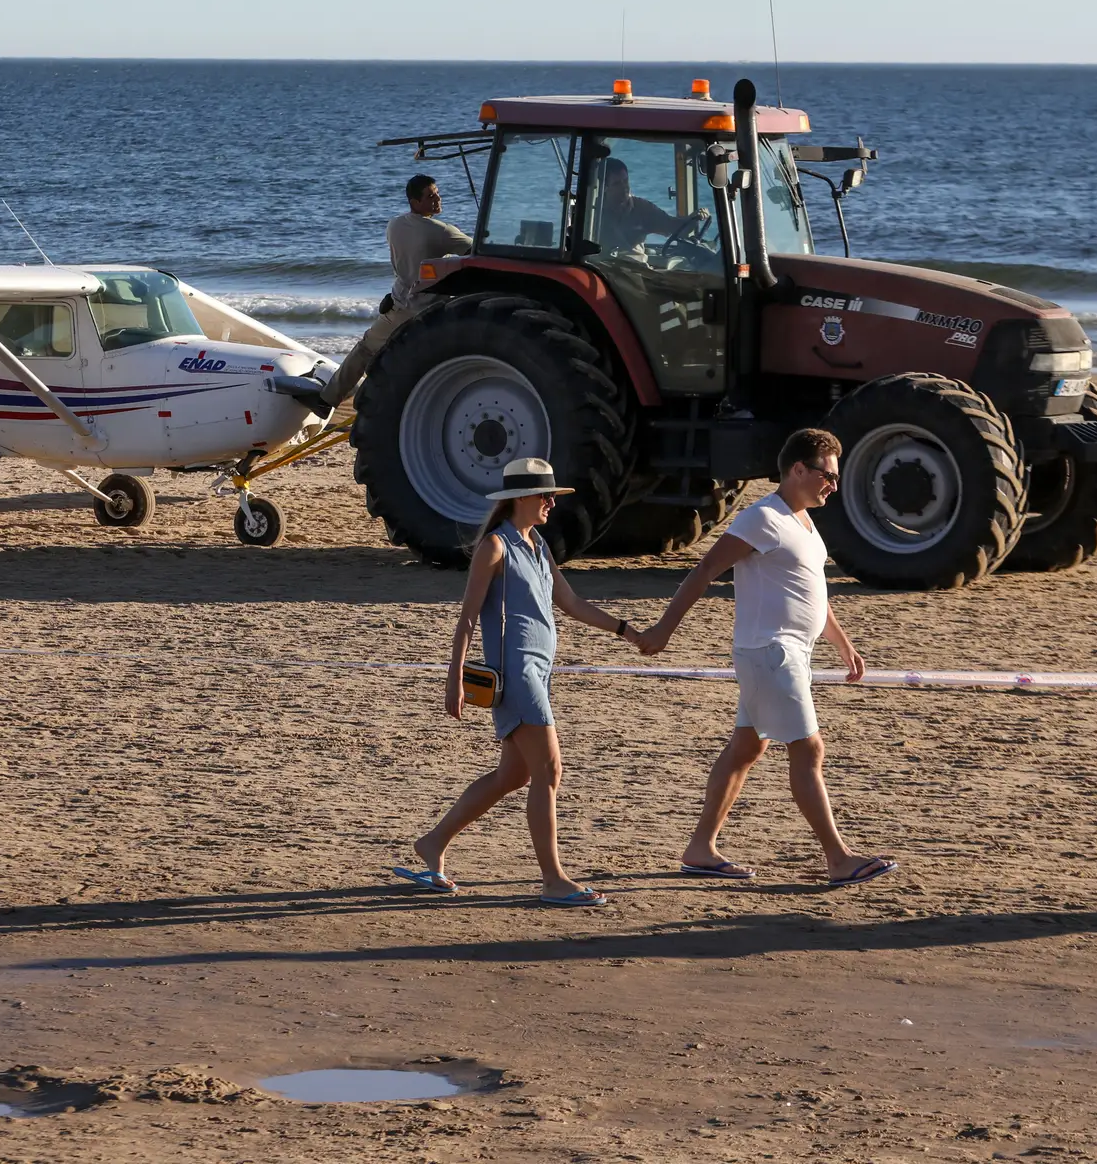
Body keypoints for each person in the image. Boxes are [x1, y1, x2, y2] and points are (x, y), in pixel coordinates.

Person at [634, 429, 896, 887]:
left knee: (746, 748)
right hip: (770, 653)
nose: (833, 484)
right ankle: (839, 858)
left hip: (789, 652)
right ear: (798, 469)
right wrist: (663, 629)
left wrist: (842, 642)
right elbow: (705, 570)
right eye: (827, 475)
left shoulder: (805, 524)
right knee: (809, 748)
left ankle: (700, 849)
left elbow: (811, 592)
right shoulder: (763, 518)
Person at [395, 457, 646, 906]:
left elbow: (569, 601)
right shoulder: (495, 547)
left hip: (540, 674)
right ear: (520, 499)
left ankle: (432, 845)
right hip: (517, 676)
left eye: (553, 495)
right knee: (549, 771)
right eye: (545, 495)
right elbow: (467, 619)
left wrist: (626, 631)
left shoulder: (536, 545)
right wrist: (453, 679)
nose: (552, 502)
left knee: (512, 775)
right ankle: (553, 879)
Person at [316, 174, 472, 408]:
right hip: (426, 309)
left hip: (399, 302)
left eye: (437, 193)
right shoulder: (441, 231)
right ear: (414, 202)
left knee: (366, 350)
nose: (438, 198)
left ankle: (329, 398)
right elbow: (476, 249)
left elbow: (404, 262)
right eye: (430, 196)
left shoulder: (394, 225)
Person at [593, 157, 680, 260]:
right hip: (602, 271)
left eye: (625, 181)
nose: (624, 187)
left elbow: (672, 225)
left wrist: (692, 219)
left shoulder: (642, 208)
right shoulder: (592, 212)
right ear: (604, 187)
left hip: (637, 271)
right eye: (617, 184)